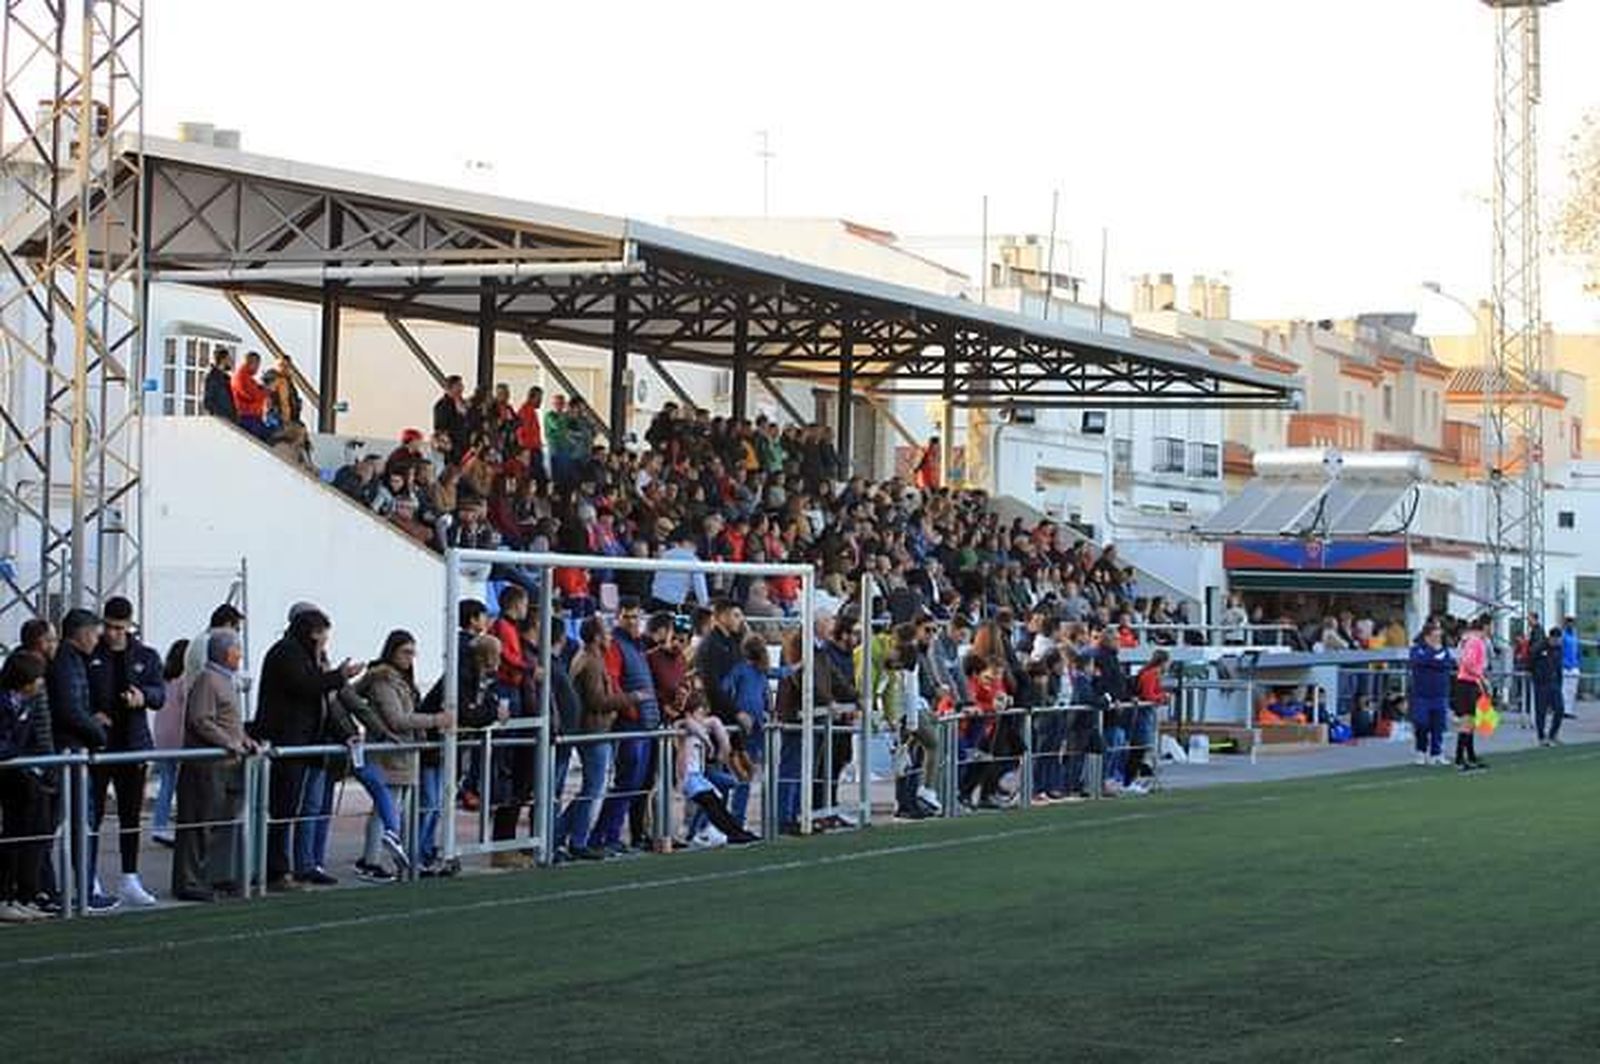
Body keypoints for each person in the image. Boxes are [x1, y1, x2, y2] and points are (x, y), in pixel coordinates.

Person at [254, 605, 362, 889]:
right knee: (283, 808)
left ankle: (294, 866)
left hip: (305, 742)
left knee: (297, 807)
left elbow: (322, 703)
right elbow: (306, 686)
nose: (325, 641)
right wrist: (339, 676)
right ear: (312, 633)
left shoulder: (304, 656)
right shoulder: (287, 653)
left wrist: (345, 734)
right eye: (323, 634)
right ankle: (277, 871)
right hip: (289, 741)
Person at [350, 630, 453, 881]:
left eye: (413, 653)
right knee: (385, 808)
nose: (410, 657)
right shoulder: (383, 680)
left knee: (390, 807)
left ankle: (380, 859)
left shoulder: (399, 679)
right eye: (406, 652)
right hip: (389, 753)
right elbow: (396, 719)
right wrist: (434, 720)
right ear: (392, 651)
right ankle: (371, 860)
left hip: (401, 751)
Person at [84, 596, 166, 906]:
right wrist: (91, 716)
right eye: (108, 626)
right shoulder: (92, 653)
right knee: (92, 815)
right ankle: (90, 876)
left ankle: (130, 877)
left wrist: (143, 696)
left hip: (133, 745)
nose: (113, 633)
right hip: (99, 745)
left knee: (130, 815)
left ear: (129, 625)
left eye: (119, 628)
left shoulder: (146, 655)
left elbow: (159, 694)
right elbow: (79, 692)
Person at [172, 629, 261, 903]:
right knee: (198, 824)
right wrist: (229, 742)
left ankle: (212, 876)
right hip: (207, 765)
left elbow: (227, 720)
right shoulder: (208, 680)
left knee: (217, 823)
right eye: (237, 650)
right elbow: (201, 719)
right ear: (225, 653)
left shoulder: (224, 680)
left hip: (224, 764)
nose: (240, 655)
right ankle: (189, 881)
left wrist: (244, 740)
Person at [49, 607, 119, 912]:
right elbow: (69, 709)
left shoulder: (71, 661)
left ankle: (61, 889)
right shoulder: (67, 663)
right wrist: (97, 732)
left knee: (73, 822)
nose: (98, 640)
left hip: (73, 749)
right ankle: (82, 890)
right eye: (95, 634)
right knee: (79, 822)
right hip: (71, 752)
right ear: (82, 633)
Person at [593, 597, 660, 854]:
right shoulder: (617, 645)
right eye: (627, 617)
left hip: (645, 722)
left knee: (637, 784)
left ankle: (612, 836)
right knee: (626, 783)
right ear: (618, 617)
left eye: (636, 617)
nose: (632, 622)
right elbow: (613, 681)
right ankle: (604, 836)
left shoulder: (638, 645)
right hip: (630, 723)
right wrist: (629, 708)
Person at [560, 616, 627, 861]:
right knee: (592, 788)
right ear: (597, 637)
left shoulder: (588, 657)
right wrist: (630, 699)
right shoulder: (591, 661)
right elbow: (597, 701)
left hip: (593, 730)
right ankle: (575, 839)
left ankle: (561, 834)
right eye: (606, 633)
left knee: (592, 787)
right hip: (593, 731)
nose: (609, 637)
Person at [1, 651, 50, 923]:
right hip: (8, 779)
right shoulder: (5, 702)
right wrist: (16, 753)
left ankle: (24, 896)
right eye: (37, 678)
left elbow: (27, 740)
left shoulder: (27, 703)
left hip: (21, 778)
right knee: (12, 837)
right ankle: (4, 897)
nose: (41, 683)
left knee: (34, 831)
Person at [148, 638, 190, 847]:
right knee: (182, 785)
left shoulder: (165, 680)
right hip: (179, 739)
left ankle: (159, 825)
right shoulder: (185, 681)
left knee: (166, 783)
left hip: (162, 738)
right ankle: (182, 826)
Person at [1408, 618, 1453, 767]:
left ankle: (1436, 753)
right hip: (1421, 694)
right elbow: (1418, 661)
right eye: (1435, 635)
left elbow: (1447, 664)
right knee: (1421, 723)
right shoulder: (1417, 649)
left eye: (1439, 635)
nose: (1438, 638)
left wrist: (1432, 661)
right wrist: (1433, 656)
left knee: (1438, 726)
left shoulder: (1444, 650)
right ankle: (1421, 751)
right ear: (1427, 636)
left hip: (1440, 693)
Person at [1452, 614, 1491, 772]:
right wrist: (1481, 676)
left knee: (1471, 721)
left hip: (1468, 682)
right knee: (1467, 721)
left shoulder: (1468, 640)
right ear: (1486, 626)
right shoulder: (1475, 641)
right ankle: (1460, 758)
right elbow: (1468, 663)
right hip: (1468, 683)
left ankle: (1470, 755)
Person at [650, 529, 710, 614]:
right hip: (673, 604)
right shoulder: (694, 561)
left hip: (655, 600)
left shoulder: (665, 555)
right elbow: (700, 589)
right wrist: (706, 608)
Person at [1531, 625, 1565, 747]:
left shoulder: (1559, 649)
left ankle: (1553, 734)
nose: (1557, 642)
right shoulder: (1539, 647)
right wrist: (1537, 676)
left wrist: (1560, 682)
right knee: (1541, 711)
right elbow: (1531, 662)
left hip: (1554, 683)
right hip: (1542, 684)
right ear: (1551, 638)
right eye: (1555, 639)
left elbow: (1559, 666)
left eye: (1559, 639)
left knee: (1560, 709)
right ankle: (1541, 737)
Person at [231, 351, 271, 439]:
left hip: (252, 415)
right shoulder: (242, 376)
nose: (257, 369)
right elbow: (252, 395)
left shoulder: (247, 377)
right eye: (257, 366)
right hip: (247, 416)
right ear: (252, 363)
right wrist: (265, 392)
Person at [432, 375, 468, 456]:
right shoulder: (442, 405)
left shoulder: (463, 403)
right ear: (451, 387)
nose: (462, 388)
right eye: (459, 385)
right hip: (452, 447)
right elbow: (440, 427)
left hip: (464, 445)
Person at [202, 349, 237, 421]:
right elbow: (208, 402)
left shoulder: (225, 377)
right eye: (229, 359)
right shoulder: (212, 377)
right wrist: (219, 416)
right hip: (221, 419)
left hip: (229, 418)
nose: (231, 361)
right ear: (223, 360)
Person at [1561, 617, 1581, 722]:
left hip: (1574, 666)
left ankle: (1569, 710)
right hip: (1565, 666)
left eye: (1572, 623)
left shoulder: (1575, 636)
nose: (1571, 625)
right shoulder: (1563, 636)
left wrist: (1578, 663)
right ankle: (1562, 710)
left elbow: (1577, 651)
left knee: (1572, 690)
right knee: (1564, 689)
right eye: (1569, 623)